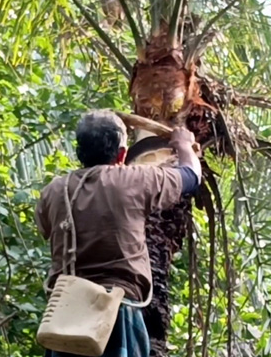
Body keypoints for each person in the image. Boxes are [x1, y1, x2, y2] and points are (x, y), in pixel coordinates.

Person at [35, 109, 201, 357]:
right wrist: (185, 144)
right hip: (115, 311)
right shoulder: (132, 180)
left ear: (80, 151)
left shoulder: (54, 191)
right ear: (122, 153)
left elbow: (44, 229)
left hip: (65, 315)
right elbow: (190, 176)